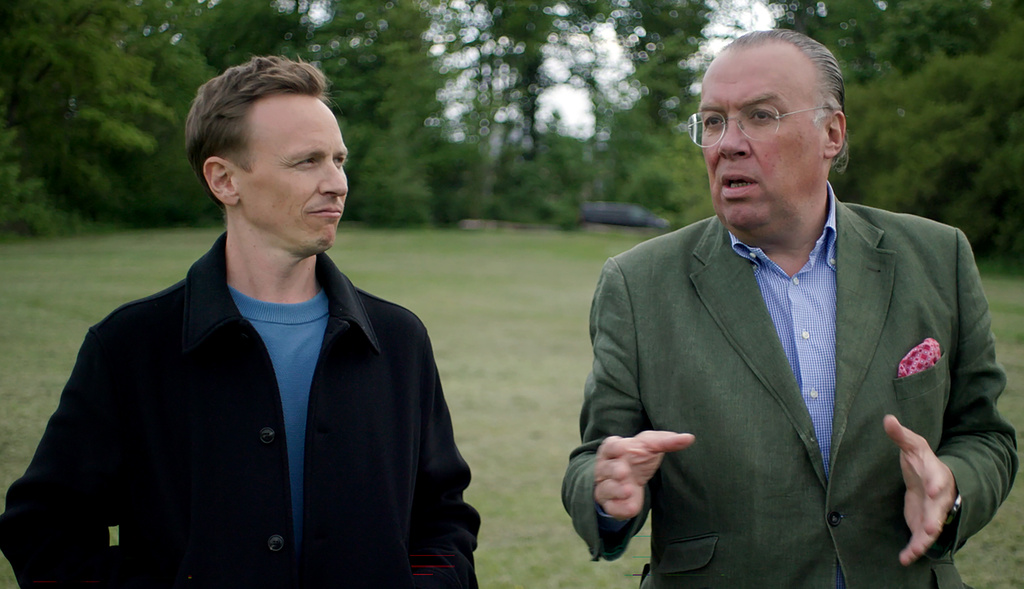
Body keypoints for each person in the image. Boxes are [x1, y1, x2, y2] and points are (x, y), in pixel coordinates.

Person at [0, 56, 479, 588]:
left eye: (339, 160)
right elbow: (43, 532)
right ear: (224, 180)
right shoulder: (130, 346)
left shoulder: (398, 340)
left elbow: (444, 519)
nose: (337, 183)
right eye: (307, 161)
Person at [561, 29, 1017, 588]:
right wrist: (606, 493)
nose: (728, 143)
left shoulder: (938, 256)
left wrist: (953, 486)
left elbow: (985, 435)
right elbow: (596, 459)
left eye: (760, 115)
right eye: (713, 121)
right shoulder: (637, 284)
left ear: (832, 133)